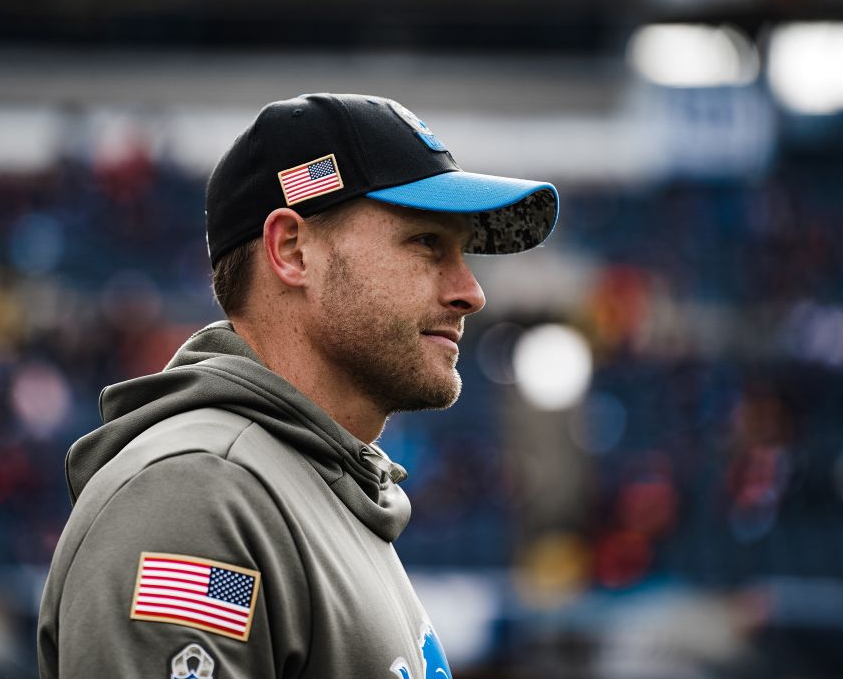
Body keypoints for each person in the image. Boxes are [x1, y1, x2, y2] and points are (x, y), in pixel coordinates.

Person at [37, 93, 559, 679]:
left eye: (460, 252)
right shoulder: (198, 495)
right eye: (426, 243)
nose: (471, 291)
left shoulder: (315, 488)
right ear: (292, 250)